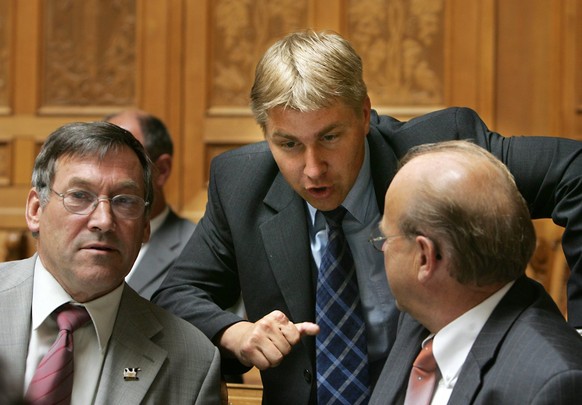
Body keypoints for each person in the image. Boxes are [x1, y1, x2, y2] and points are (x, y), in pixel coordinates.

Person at [152, 30, 582, 404]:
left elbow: (576, 173)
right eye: (288, 144)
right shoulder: (241, 182)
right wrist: (235, 334)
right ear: (266, 133)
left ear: (363, 116)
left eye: (330, 137)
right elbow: (177, 295)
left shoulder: (439, 154)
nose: (313, 168)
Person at [0, 122, 222, 404]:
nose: (104, 220)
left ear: (145, 227)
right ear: (35, 210)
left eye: (125, 201)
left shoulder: (192, 361)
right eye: (80, 196)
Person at [369, 140, 582, 404]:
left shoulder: (552, 384)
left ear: (425, 257)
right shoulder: (421, 317)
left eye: (386, 238)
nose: (384, 248)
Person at [104, 109, 196, 300]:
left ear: (161, 170)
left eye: (122, 160)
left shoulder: (197, 248)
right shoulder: (80, 232)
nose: (108, 175)